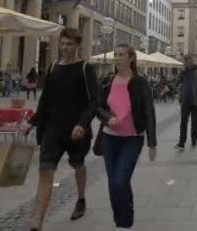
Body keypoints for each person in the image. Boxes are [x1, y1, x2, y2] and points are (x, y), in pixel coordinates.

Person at [24, 28, 99, 231]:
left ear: (77, 46)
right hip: (53, 130)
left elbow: (94, 100)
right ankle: (37, 221)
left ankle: (81, 198)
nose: (66, 48)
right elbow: (46, 98)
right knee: (45, 171)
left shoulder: (85, 68)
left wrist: (82, 124)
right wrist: (33, 121)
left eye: (70, 45)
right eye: (63, 44)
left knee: (77, 164)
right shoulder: (53, 67)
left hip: (76, 131)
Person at [97, 44, 157, 230]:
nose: (117, 58)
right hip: (109, 138)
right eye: (116, 55)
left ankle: (125, 221)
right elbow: (98, 108)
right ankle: (120, 221)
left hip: (132, 138)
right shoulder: (109, 81)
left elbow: (149, 111)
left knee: (121, 180)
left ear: (131, 58)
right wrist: (108, 118)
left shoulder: (140, 82)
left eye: (121, 55)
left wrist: (152, 143)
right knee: (113, 183)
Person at [175, 54, 197, 152]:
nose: (186, 63)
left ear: (191, 61)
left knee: (194, 121)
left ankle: (194, 140)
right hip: (185, 100)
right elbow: (176, 82)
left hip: (195, 100)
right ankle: (181, 143)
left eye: (187, 61)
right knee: (183, 122)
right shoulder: (183, 72)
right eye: (184, 62)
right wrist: (177, 90)